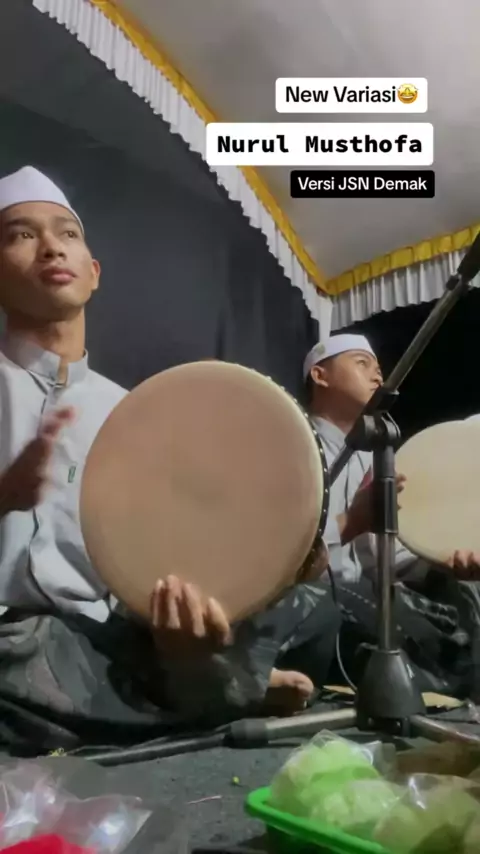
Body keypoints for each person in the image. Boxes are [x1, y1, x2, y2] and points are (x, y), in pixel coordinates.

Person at [0, 165, 339, 750]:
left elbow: (160, 549)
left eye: (67, 233)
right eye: (21, 235)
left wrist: (197, 610)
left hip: (117, 634)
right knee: (21, 657)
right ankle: (219, 694)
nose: (51, 247)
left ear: (93, 273)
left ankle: (190, 683)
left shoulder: (131, 412)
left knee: (312, 602)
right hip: (19, 640)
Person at [304, 332, 480, 698]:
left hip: (373, 589)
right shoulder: (296, 447)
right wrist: (350, 522)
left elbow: (388, 556)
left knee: (467, 597)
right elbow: (282, 554)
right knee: (445, 653)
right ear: (320, 375)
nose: (378, 376)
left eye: (379, 368)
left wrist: (441, 562)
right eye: (362, 363)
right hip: (318, 597)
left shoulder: (375, 457)